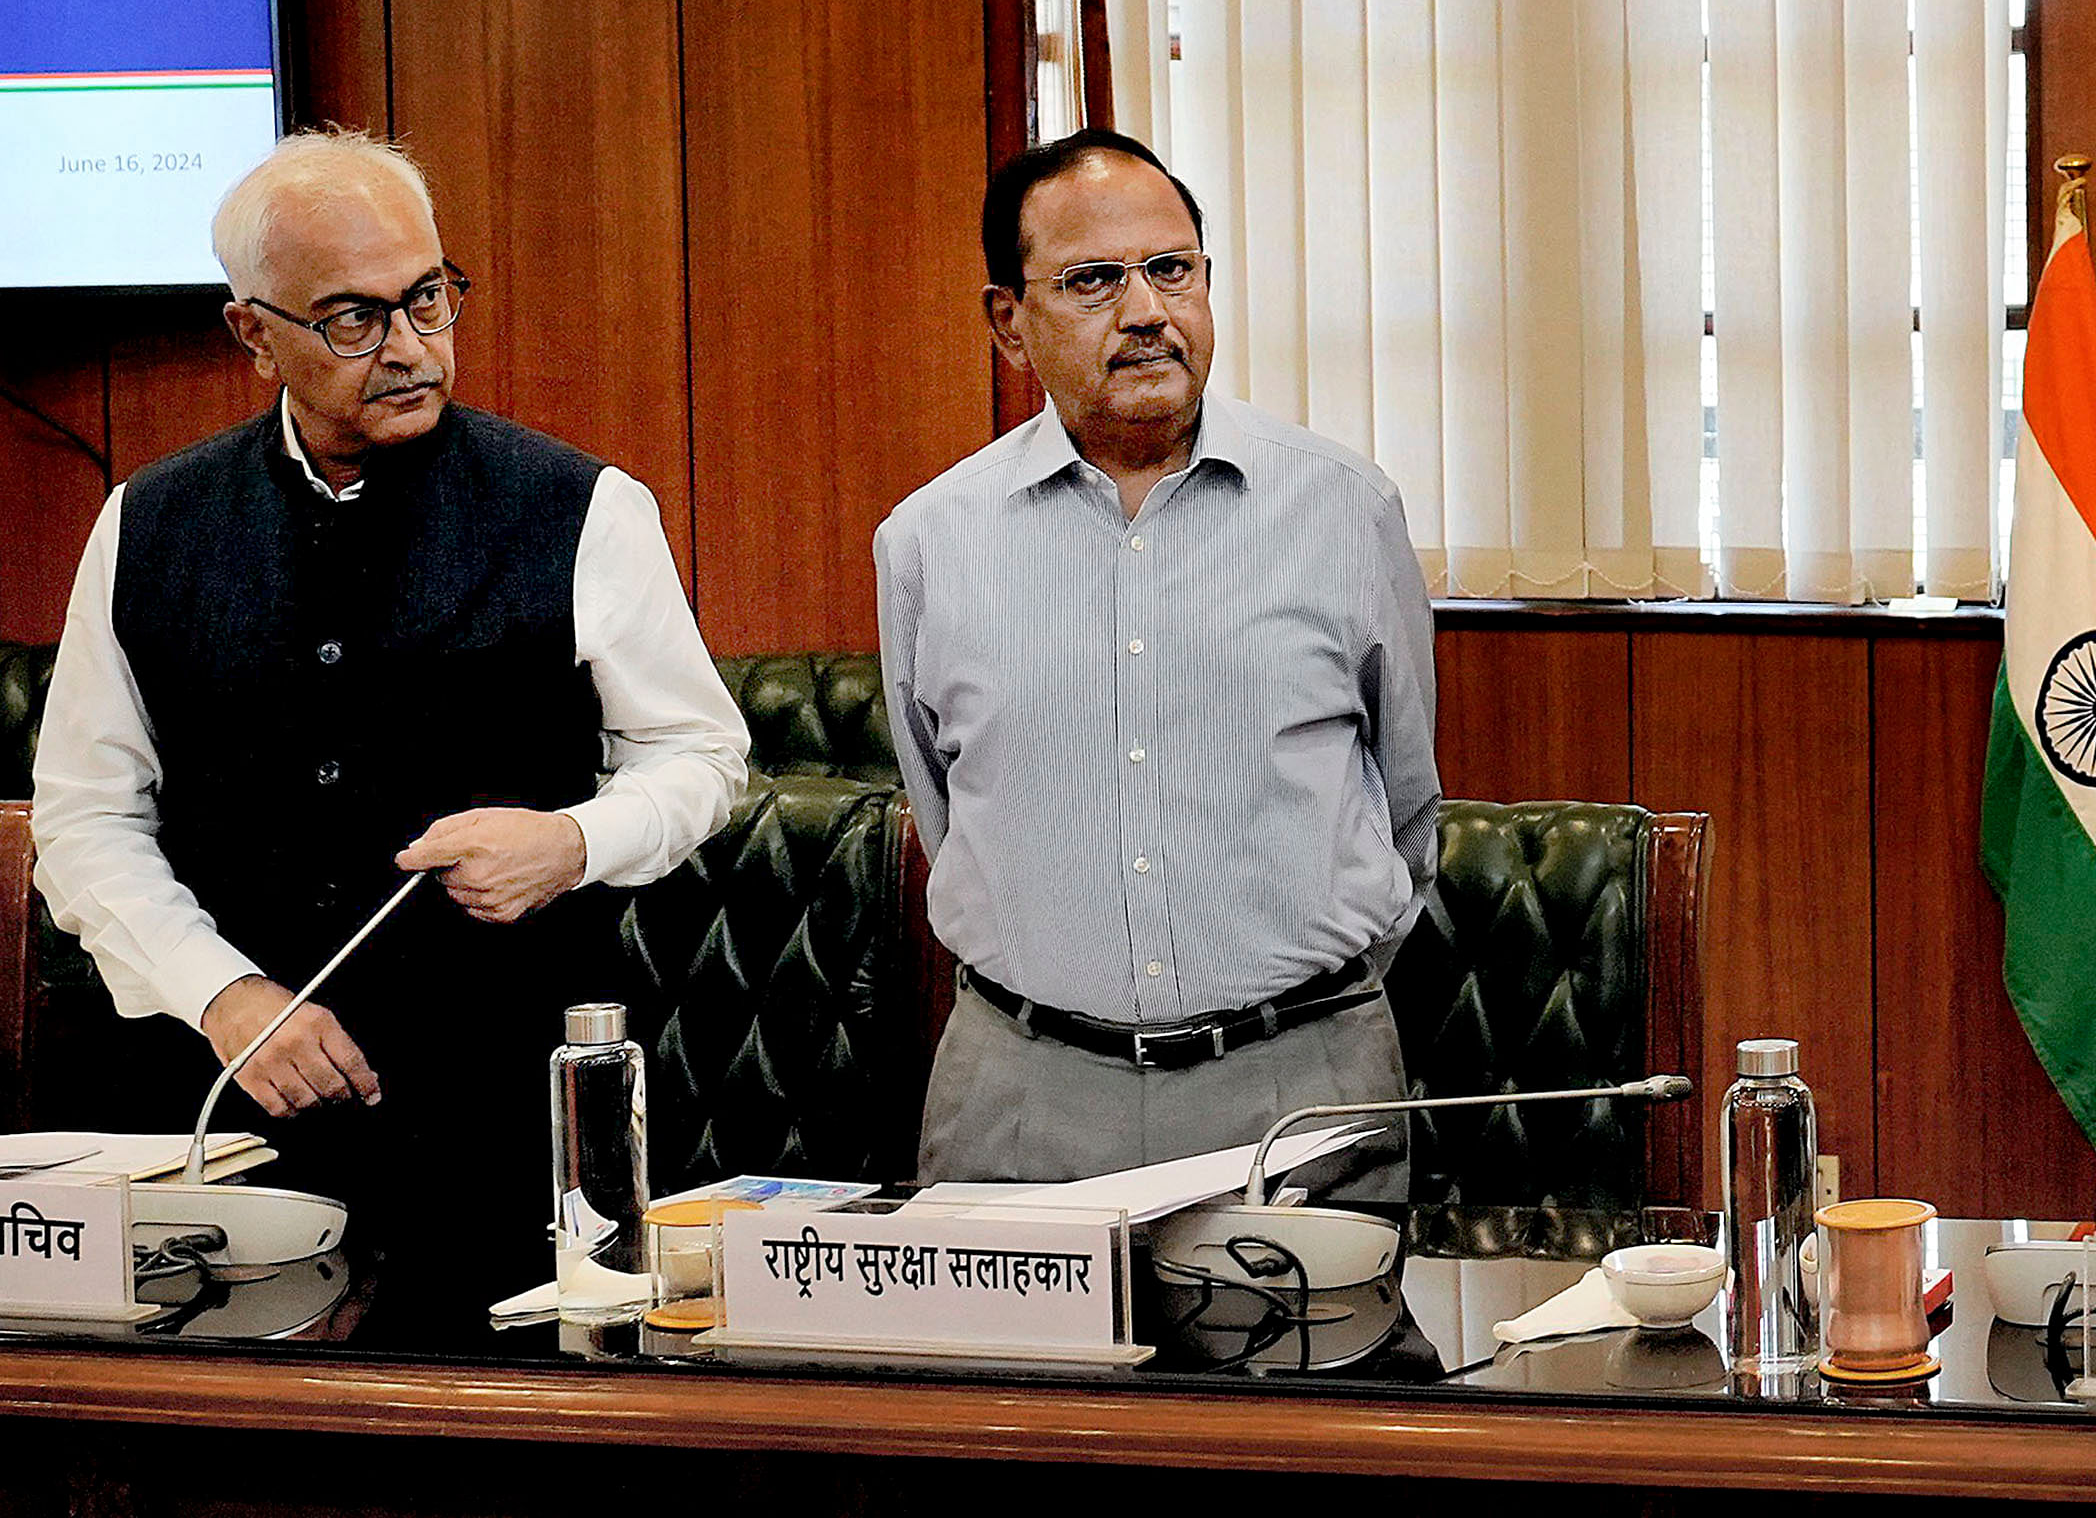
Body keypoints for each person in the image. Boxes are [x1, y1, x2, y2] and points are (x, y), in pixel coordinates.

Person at [32, 133, 750, 1270]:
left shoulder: (582, 506)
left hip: (506, 1117)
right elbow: (82, 819)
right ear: (253, 335)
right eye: (354, 319)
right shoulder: (145, 526)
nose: (412, 347)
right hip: (220, 1112)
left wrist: (570, 840)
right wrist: (223, 995)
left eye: (428, 298)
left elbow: (703, 758)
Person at [874, 129, 1438, 1185]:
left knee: (1317, 1357)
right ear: (1009, 321)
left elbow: (1406, 807)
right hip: (1023, 1100)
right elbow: (946, 809)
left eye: (1171, 271)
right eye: (1094, 280)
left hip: (1297, 1083)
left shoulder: (1344, 511)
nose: (1146, 312)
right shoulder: (927, 543)